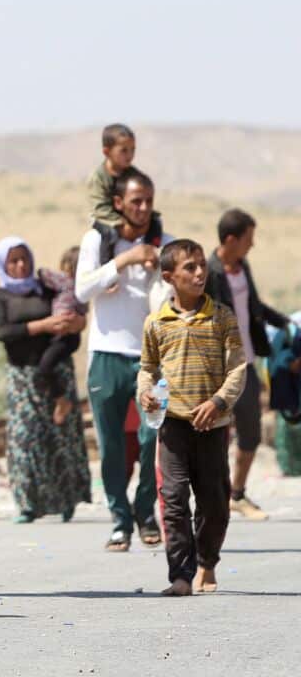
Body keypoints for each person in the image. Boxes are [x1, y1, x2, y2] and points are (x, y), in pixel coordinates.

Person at [137, 239, 246, 596]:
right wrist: (147, 393)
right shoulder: (156, 324)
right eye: (190, 267)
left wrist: (217, 402)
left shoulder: (223, 317)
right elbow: (147, 369)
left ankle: (207, 561)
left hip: (212, 426)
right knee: (173, 498)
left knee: (214, 501)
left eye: (201, 265)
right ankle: (181, 576)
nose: (199, 272)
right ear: (169, 277)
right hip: (173, 426)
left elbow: (237, 370)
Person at [75, 168, 172, 552]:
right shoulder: (97, 240)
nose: (144, 207)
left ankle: (146, 512)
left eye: (148, 200)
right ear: (118, 203)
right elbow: (82, 290)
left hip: (152, 360)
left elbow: (183, 283)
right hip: (105, 356)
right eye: (136, 201)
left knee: (153, 440)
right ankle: (120, 521)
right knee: (111, 444)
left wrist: (159, 262)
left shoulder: (165, 241)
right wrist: (127, 259)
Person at [0, 238, 92, 522]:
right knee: (25, 440)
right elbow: (4, 332)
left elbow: (74, 307)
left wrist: (77, 323)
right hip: (22, 376)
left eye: (24, 258)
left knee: (61, 437)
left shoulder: (46, 289)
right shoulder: (0, 297)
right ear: (3, 264)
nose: (20, 265)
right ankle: (27, 504)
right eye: (13, 260)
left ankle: (66, 500)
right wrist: (43, 326)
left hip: (57, 370)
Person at [206, 208, 289, 521]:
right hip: (220, 369)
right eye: (248, 239)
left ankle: (237, 494)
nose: (252, 245)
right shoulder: (210, 272)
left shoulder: (243, 267)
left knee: (251, 434)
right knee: (215, 437)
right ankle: (215, 497)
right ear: (231, 239)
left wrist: (283, 323)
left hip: (247, 363)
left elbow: (251, 306)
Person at [86, 124, 163, 265]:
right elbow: (99, 208)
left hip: (129, 216)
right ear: (107, 152)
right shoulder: (98, 177)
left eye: (133, 150)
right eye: (124, 151)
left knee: (156, 222)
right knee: (110, 234)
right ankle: (107, 265)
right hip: (105, 218)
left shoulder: (132, 173)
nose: (130, 155)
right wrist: (122, 225)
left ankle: (152, 254)